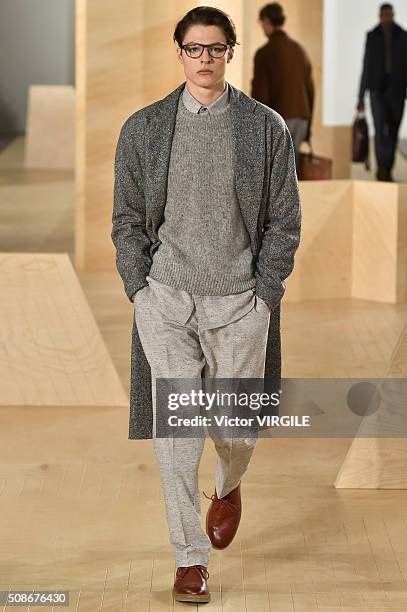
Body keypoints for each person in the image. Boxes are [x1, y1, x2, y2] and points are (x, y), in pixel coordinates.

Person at [111, 5, 301, 604]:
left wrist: (265, 295)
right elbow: (126, 221)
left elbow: (285, 221)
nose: (204, 59)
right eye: (193, 49)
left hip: (239, 305)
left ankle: (228, 484)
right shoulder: (142, 129)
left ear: (230, 53)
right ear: (179, 53)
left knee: (236, 429)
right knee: (179, 432)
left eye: (215, 48)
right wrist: (139, 288)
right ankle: (189, 558)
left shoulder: (265, 129)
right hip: (166, 300)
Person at [251, 2, 315, 173]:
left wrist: (255, 126)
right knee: (293, 174)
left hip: (277, 118)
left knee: (276, 174)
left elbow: (260, 94)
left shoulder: (264, 53)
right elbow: (310, 90)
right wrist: (309, 126)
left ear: (266, 21)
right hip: (301, 117)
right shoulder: (299, 50)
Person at [357, 3, 407, 182]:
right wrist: (360, 97)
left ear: (393, 15)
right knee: (379, 131)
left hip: (397, 93)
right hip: (377, 92)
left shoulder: (403, 36)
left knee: (393, 131)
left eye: (389, 15)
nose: (386, 18)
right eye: (384, 15)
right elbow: (366, 66)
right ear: (380, 16)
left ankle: (388, 166)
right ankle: (382, 169)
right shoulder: (372, 36)